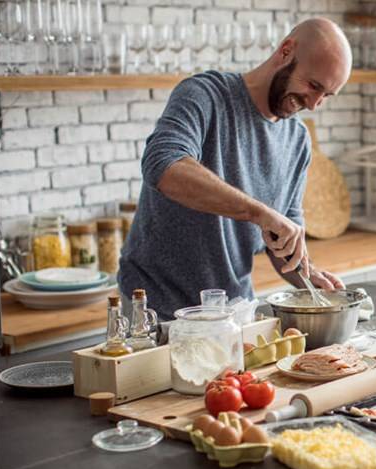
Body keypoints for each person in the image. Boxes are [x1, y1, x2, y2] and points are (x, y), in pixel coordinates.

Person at [118, 18, 352, 320]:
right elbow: (163, 165)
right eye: (313, 85)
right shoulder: (204, 94)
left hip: (231, 314)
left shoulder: (297, 139)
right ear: (285, 51)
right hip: (155, 310)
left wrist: (309, 280)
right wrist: (258, 212)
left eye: (326, 96)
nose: (314, 103)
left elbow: (282, 240)